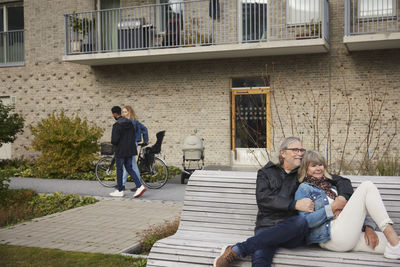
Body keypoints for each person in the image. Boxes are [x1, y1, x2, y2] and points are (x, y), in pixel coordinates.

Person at [214, 137, 354, 267]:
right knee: (261, 258)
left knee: (300, 222)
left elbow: (342, 181)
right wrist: (294, 204)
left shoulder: (304, 173)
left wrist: (343, 197)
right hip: (267, 226)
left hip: (293, 229)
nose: (300, 153)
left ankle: (237, 249)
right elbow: (263, 199)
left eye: (301, 150)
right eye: (295, 150)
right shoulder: (266, 173)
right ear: (283, 153)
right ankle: (237, 251)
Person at [295, 150, 400, 259]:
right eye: (313, 165)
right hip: (331, 236)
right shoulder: (304, 189)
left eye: (320, 164)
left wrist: (369, 227)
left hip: (348, 233)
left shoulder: (333, 188)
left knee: (394, 244)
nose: (318, 168)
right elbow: (305, 222)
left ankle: (394, 243)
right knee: (367, 186)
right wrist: (333, 208)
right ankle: (391, 236)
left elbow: (355, 210)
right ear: (305, 169)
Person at [110, 106, 146, 198]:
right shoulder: (130, 123)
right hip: (130, 150)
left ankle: (120, 190)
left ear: (114, 114)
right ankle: (139, 186)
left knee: (119, 169)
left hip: (120, 151)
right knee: (129, 168)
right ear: (120, 113)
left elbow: (114, 140)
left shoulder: (117, 125)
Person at [121, 105, 149, 191]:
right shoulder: (135, 121)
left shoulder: (129, 122)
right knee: (128, 165)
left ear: (129, 112)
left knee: (132, 165)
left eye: (125, 112)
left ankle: (139, 185)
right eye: (123, 112)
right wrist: (146, 139)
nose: (123, 113)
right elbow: (145, 129)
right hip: (133, 143)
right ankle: (122, 184)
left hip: (130, 144)